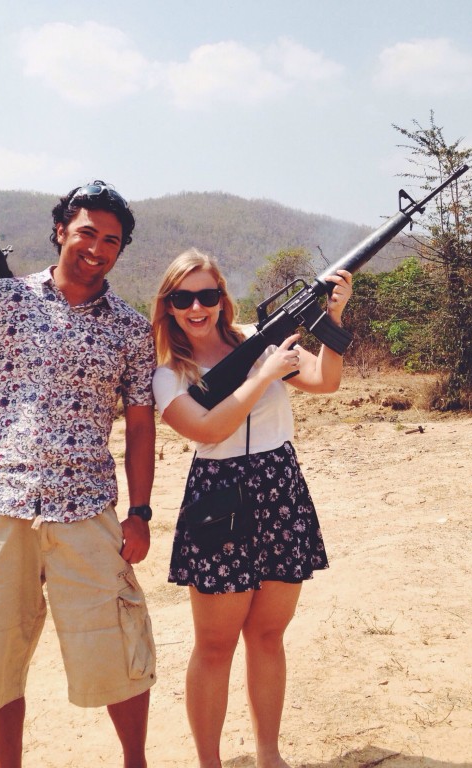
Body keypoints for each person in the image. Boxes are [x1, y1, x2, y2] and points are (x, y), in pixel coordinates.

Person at [0, 181, 157, 768]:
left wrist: (141, 513)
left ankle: (135, 762)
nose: (97, 247)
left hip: (87, 507)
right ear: (60, 232)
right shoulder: (3, 299)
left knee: (117, 646)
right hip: (3, 502)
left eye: (111, 240)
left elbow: (142, 426)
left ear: (121, 250)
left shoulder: (129, 328)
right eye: (86, 233)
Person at [150, 248, 352, 768]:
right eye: (184, 298)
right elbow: (209, 429)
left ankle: (269, 756)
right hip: (217, 495)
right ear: (168, 306)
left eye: (208, 295)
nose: (197, 307)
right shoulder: (169, 375)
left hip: (278, 484)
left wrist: (333, 319)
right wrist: (263, 375)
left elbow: (326, 381)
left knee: (267, 634)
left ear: (223, 297)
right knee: (215, 645)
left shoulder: (255, 338)